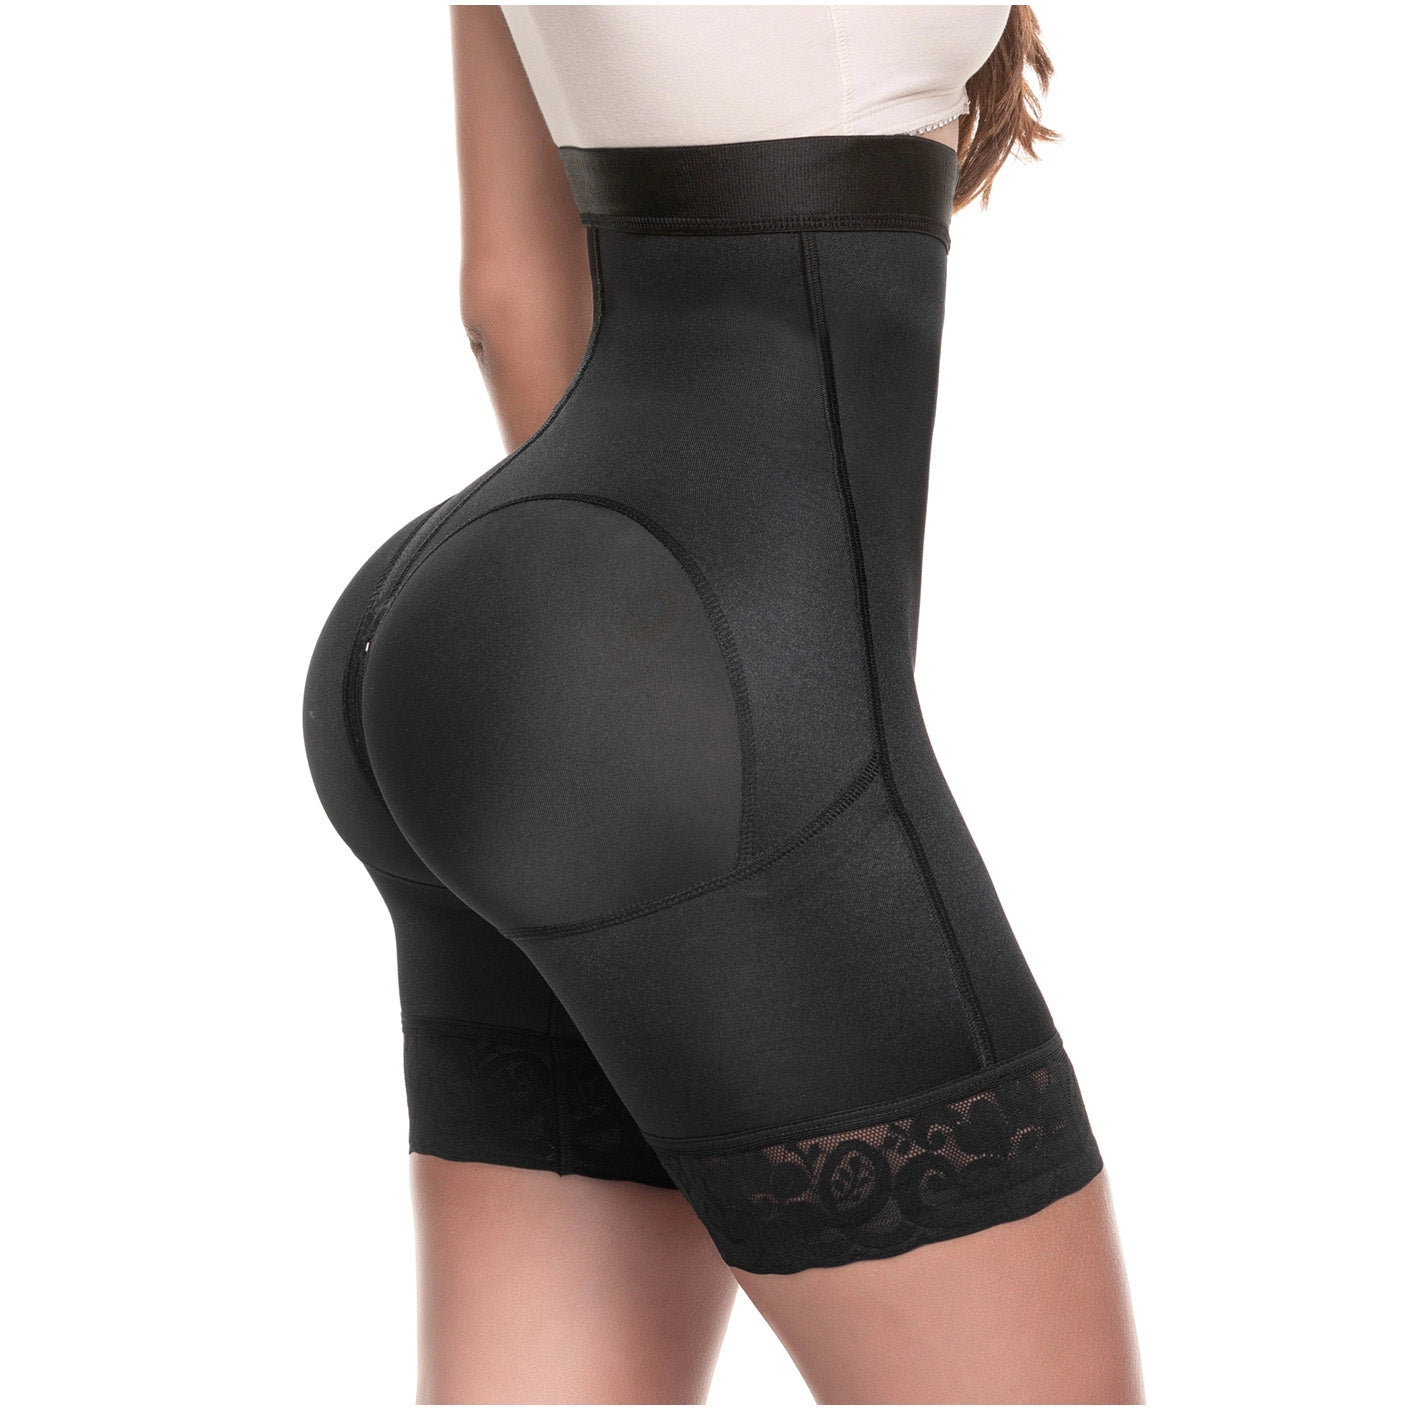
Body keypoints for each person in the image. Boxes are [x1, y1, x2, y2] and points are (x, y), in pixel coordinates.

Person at [302, 4, 1145, 1402]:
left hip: (481, 632)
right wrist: (691, 697)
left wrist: (606, 676)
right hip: (689, 675)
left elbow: (509, 299)